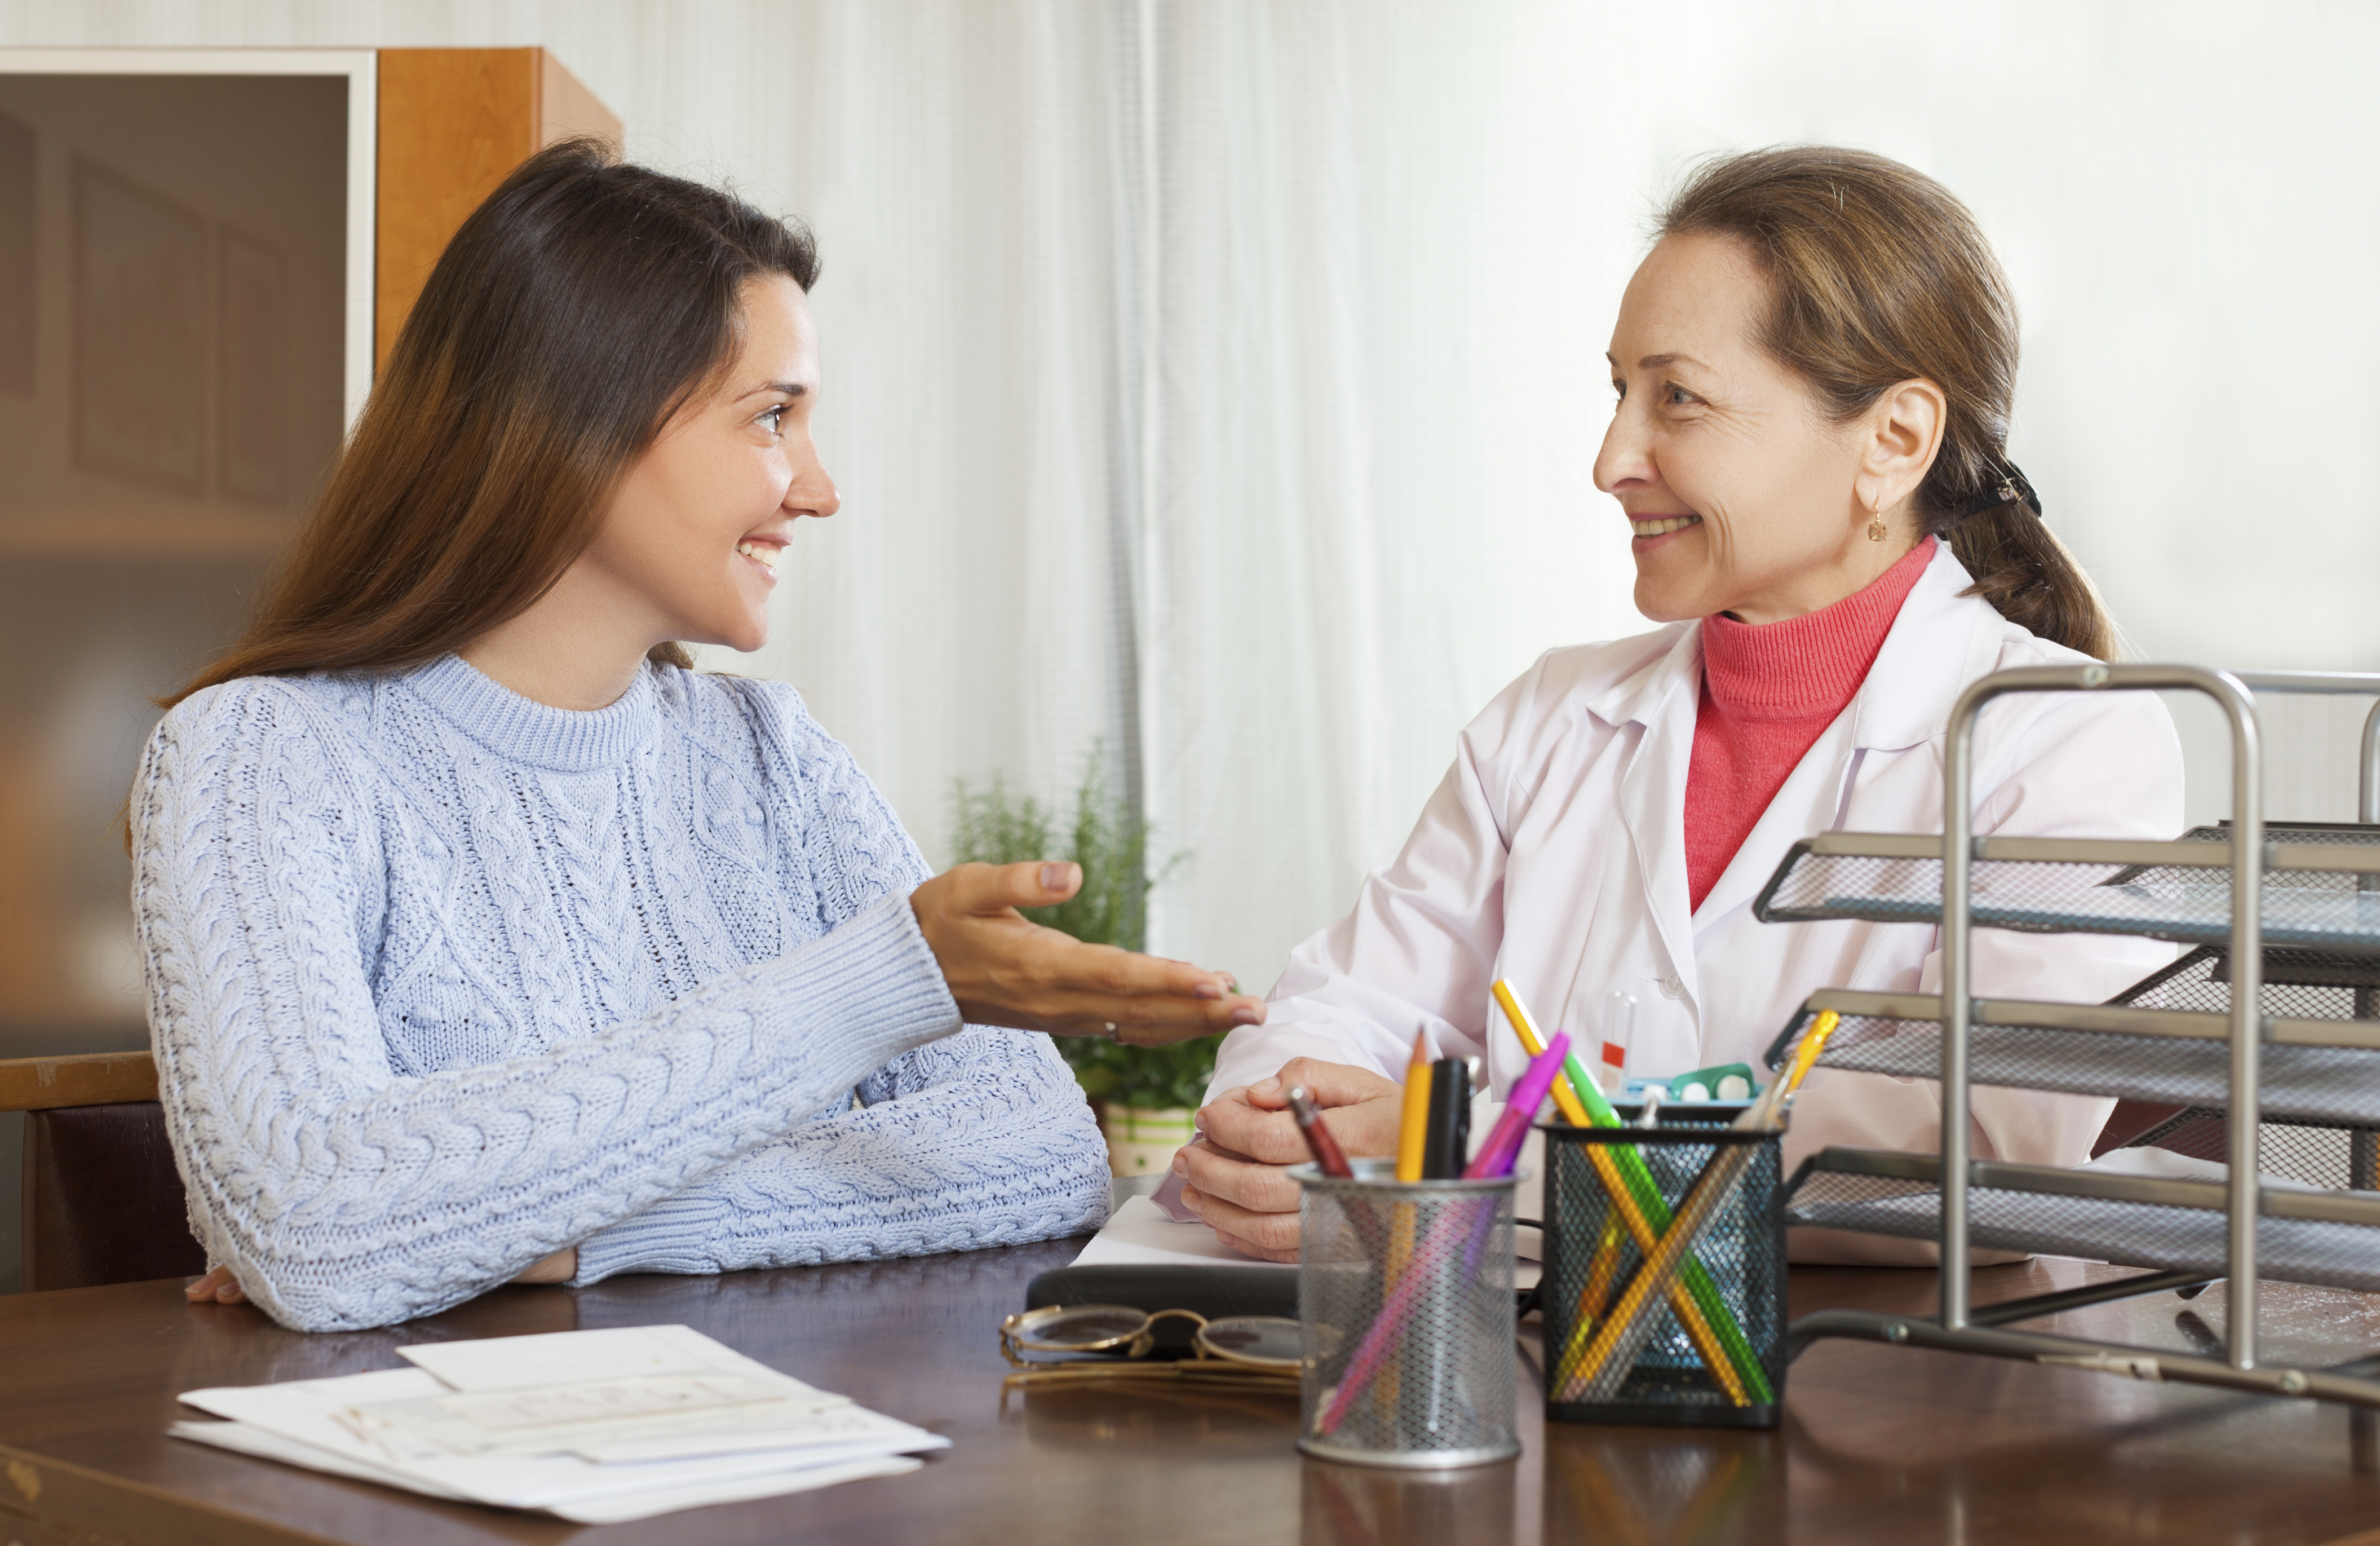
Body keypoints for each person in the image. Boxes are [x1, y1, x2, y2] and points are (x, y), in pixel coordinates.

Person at [139, 142, 1260, 1333]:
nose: (817, 488)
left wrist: (588, 1229)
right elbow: (315, 1225)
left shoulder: (772, 754)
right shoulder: (260, 757)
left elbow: (1034, 1152)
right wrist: (872, 987)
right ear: (578, 416)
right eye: (772, 416)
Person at [1173, 145, 2182, 1262]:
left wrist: (1473, 1164)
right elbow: (1345, 1001)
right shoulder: (1552, 716)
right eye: (1618, 392)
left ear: (1890, 441)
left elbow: (1989, 1138)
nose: (1611, 459)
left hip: (1881, 1397)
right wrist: (1278, 1123)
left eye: (1678, 399)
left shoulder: (2064, 737)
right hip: (1529, 1379)